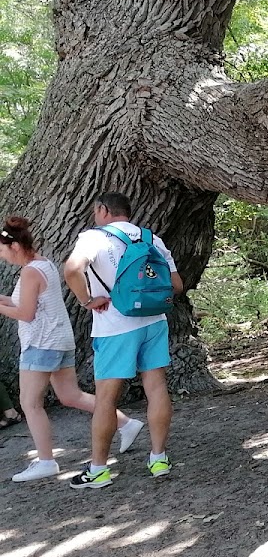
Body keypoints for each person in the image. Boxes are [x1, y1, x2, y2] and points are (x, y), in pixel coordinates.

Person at [0, 216, 145, 482]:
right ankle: (126, 423)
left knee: (29, 403)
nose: (1, 255)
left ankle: (45, 461)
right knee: (70, 395)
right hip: (58, 340)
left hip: (41, 343)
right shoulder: (42, 264)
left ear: (15, 247)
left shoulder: (31, 271)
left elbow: (26, 312)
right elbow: (24, 301)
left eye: (1, 249)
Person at [63, 193, 183, 488]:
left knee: (106, 398)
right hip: (154, 322)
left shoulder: (93, 238)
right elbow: (176, 285)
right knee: (156, 388)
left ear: (103, 210)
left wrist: (87, 300)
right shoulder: (150, 238)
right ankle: (159, 459)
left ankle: (98, 470)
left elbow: (71, 269)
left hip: (115, 327)